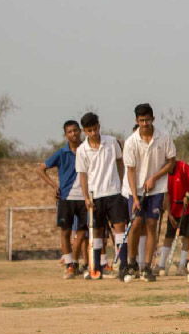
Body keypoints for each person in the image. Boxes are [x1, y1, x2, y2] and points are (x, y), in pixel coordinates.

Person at [121, 104, 177, 282]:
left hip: (157, 188)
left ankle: (146, 266)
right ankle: (131, 264)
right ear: (136, 121)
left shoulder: (164, 137)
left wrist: (155, 177)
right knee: (136, 223)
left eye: (147, 120)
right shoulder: (131, 142)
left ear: (153, 119)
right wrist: (135, 198)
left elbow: (171, 162)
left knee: (152, 224)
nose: (144, 124)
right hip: (135, 189)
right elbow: (130, 171)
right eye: (141, 121)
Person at [74, 112, 129, 280]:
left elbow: (120, 161)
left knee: (120, 228)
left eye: (95, 129)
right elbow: (83, 175)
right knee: (96, 231)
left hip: (113, 192)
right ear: (84, 131)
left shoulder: (111, 142)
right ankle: (95, 267)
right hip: (95, 194)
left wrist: (121, 184)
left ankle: (124, 266)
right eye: (89, 130)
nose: (93, 133)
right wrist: (86, 197)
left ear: (99, 126)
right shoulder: (82, 150)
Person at [40, 120, 86, 278]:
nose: (73, 134)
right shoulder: (61, 153)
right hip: (66, 197)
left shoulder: (87, 149)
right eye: (70, 132)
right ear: (66, 135)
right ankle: (69, 266)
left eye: (75, 130)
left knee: (82, 233)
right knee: (65, 232)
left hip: (84, 197)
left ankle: (76, 262)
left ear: (80, 131)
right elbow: (41, 169)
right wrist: (54, 186)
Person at [159, 157, 189, 276]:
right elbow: (166, 194)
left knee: (186, 236)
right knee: (169, 236)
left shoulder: (183, 166)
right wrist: (169, 213)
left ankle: (182, 266)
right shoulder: (163, 172)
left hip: (188, 208)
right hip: (173, 209)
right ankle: (161, 265)